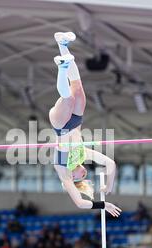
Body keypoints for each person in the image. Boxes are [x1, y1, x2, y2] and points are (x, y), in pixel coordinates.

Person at [50, 32, 121, 218]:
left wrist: (102, 204)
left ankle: (62, 67)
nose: (83, 173)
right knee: (78, 90)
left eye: (80, 177)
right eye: (84, 176)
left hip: (61, 125)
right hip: (76, 121)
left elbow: (81, 203)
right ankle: (62, 43)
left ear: (72, 179)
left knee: (68, 98)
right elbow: (111, 164)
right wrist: (109, 186)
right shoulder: (83, 155)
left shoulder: (63, 173)